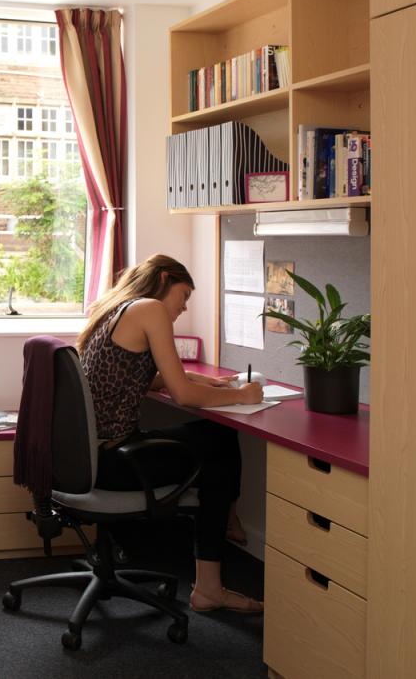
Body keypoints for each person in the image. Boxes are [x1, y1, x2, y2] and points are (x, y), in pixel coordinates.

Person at [77, 253, 264, 614]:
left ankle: (228, 522)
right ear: (164, 279)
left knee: (213, 440)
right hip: (114, 461)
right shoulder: (150, 309)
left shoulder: (117, 307)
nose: (183, 308)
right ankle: (213, 576)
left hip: (91, 455)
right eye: (184, 297)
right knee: (220, 442)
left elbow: (135, 376)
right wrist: (241, 395)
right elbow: (184, 397)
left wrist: (198, 378)